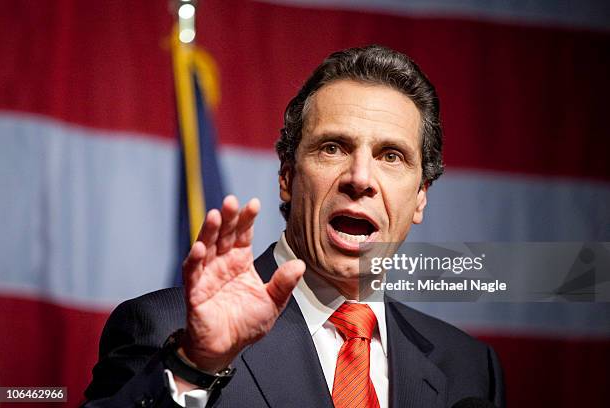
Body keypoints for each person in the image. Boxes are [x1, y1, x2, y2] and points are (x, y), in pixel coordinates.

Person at [84, 45, 505, 408]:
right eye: (333, 148)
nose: (360, 178)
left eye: (391, 156)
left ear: (420, 198)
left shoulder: (468, 366)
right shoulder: (169, 330)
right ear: (287, 177)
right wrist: (195, 365)